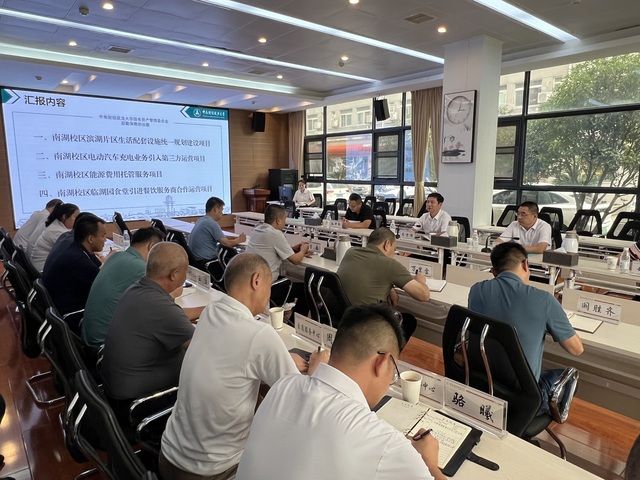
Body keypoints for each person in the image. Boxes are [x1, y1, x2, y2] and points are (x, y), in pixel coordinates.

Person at [160, 253, 327, 480]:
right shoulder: (259, 334)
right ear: (256, 281)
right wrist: (317, 368)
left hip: (169, 456)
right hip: (212, 472)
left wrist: (282, 357)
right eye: (269, 286)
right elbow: (302, 401)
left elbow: (236, 355)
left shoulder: (211, 312)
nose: (269, 295)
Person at [236, 304, 445, 480]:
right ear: (382, 363)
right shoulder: (385, 444)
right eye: (393, 373)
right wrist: (429, 465)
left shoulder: (283, 385)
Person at [468, 242, 584, 411]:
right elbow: (576, 349)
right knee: (570, 378)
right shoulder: (544, 300)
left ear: (494, 271)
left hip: (482, 383)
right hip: (522, 396)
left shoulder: (476, 290)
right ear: (525, 264)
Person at [101, 242, 199, 420]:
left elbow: (173, 315)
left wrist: (207, 310)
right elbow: (200, 347)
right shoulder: (161, 308)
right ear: (174, 274)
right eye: (186, 271)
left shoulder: (137, 289)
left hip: (117, 387)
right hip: (138, 400)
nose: (186, 276)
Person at [338, 227, 429, 341]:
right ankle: (386, 350)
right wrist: (420, 280)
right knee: (409, 321)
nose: (394, 254)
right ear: (387, 244)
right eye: (394, 249)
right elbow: (424, 295)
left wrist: (390, 287)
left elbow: (368, 272)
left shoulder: (351, 252)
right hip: (367, 325)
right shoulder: (390, 264)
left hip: (343, 318)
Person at [81, 227, 165, 348]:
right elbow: (163, 306)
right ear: (151, 246)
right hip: (105, 346)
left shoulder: (117, 256)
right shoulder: (140, 267)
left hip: (90, 336)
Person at [42, 213, 106, 332]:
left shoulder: (77, 248)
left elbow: (99, 268)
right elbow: (105, 287)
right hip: (73, 316)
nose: (105, 240)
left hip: (62, 307)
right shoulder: (78, 260)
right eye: (103, 236)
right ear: (91, 239)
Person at [246, 204, 310, 312]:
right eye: (284, 219)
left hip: (252, 283)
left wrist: (292, 249)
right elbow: (296, 260)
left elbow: (270, 248)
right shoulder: (275, 234)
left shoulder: (257, 229)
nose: (285, 223)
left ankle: (286, 313)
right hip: (268, 286)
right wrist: (303, 250)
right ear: (278, 221)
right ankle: (294, 321)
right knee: (306, 290)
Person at [188, 197, 246, 269]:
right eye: (221, 210)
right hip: (206, 261)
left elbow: (218, 237)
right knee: (235, 259)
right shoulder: (211, 223)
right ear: (215, 209)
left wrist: (232, 238)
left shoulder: (202, 220)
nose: (222, 213)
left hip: (195, 260)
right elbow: (227, 244)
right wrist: (239, 240)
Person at [30, 203, 80, 271]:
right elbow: (76, 250)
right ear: (64, 216)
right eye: (75, 217)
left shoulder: (57, 226)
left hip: (45, 267)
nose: (78, 220)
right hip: (42, 269)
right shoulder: (57, 231)